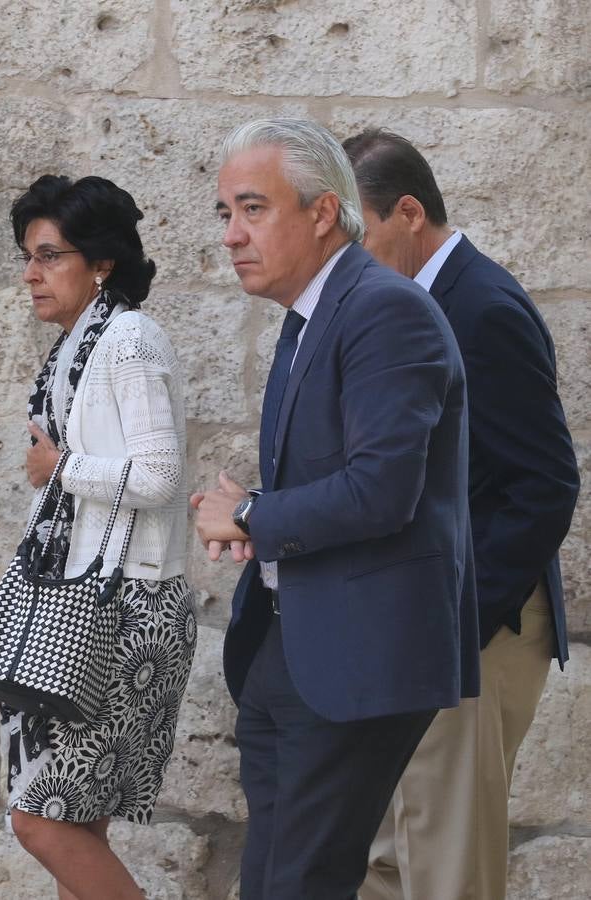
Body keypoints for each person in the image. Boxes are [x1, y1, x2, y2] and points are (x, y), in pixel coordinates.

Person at [191, 118, 481, 900]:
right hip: (289, 650)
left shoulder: (386, 310)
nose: (232, 235)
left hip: (356, 658)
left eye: (253, 209)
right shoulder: (312, 315)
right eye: (226, 213)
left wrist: (251, 514)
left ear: (324, 213)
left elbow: (383, 489)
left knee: (302, 884)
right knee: (274, 883)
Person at [343, 128, 580, 900]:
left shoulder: (480, 307)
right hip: (410, 634)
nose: (345, 257)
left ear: (409, 212)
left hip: (468, 637)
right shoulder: (414, 299)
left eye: (359, 233)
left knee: (444, 873)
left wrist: (452, 623)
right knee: (379, 859)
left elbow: (543, 485)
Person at [2, 174, 196, 900]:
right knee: (72, 825)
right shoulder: (79, 346)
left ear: (102, 263)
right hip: (83, 605)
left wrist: (61, 468)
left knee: (40, 821)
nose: (31, 273)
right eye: (29, 256)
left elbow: (160, 477)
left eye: (50, 255)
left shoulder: (130, 342)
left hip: (125, 610)